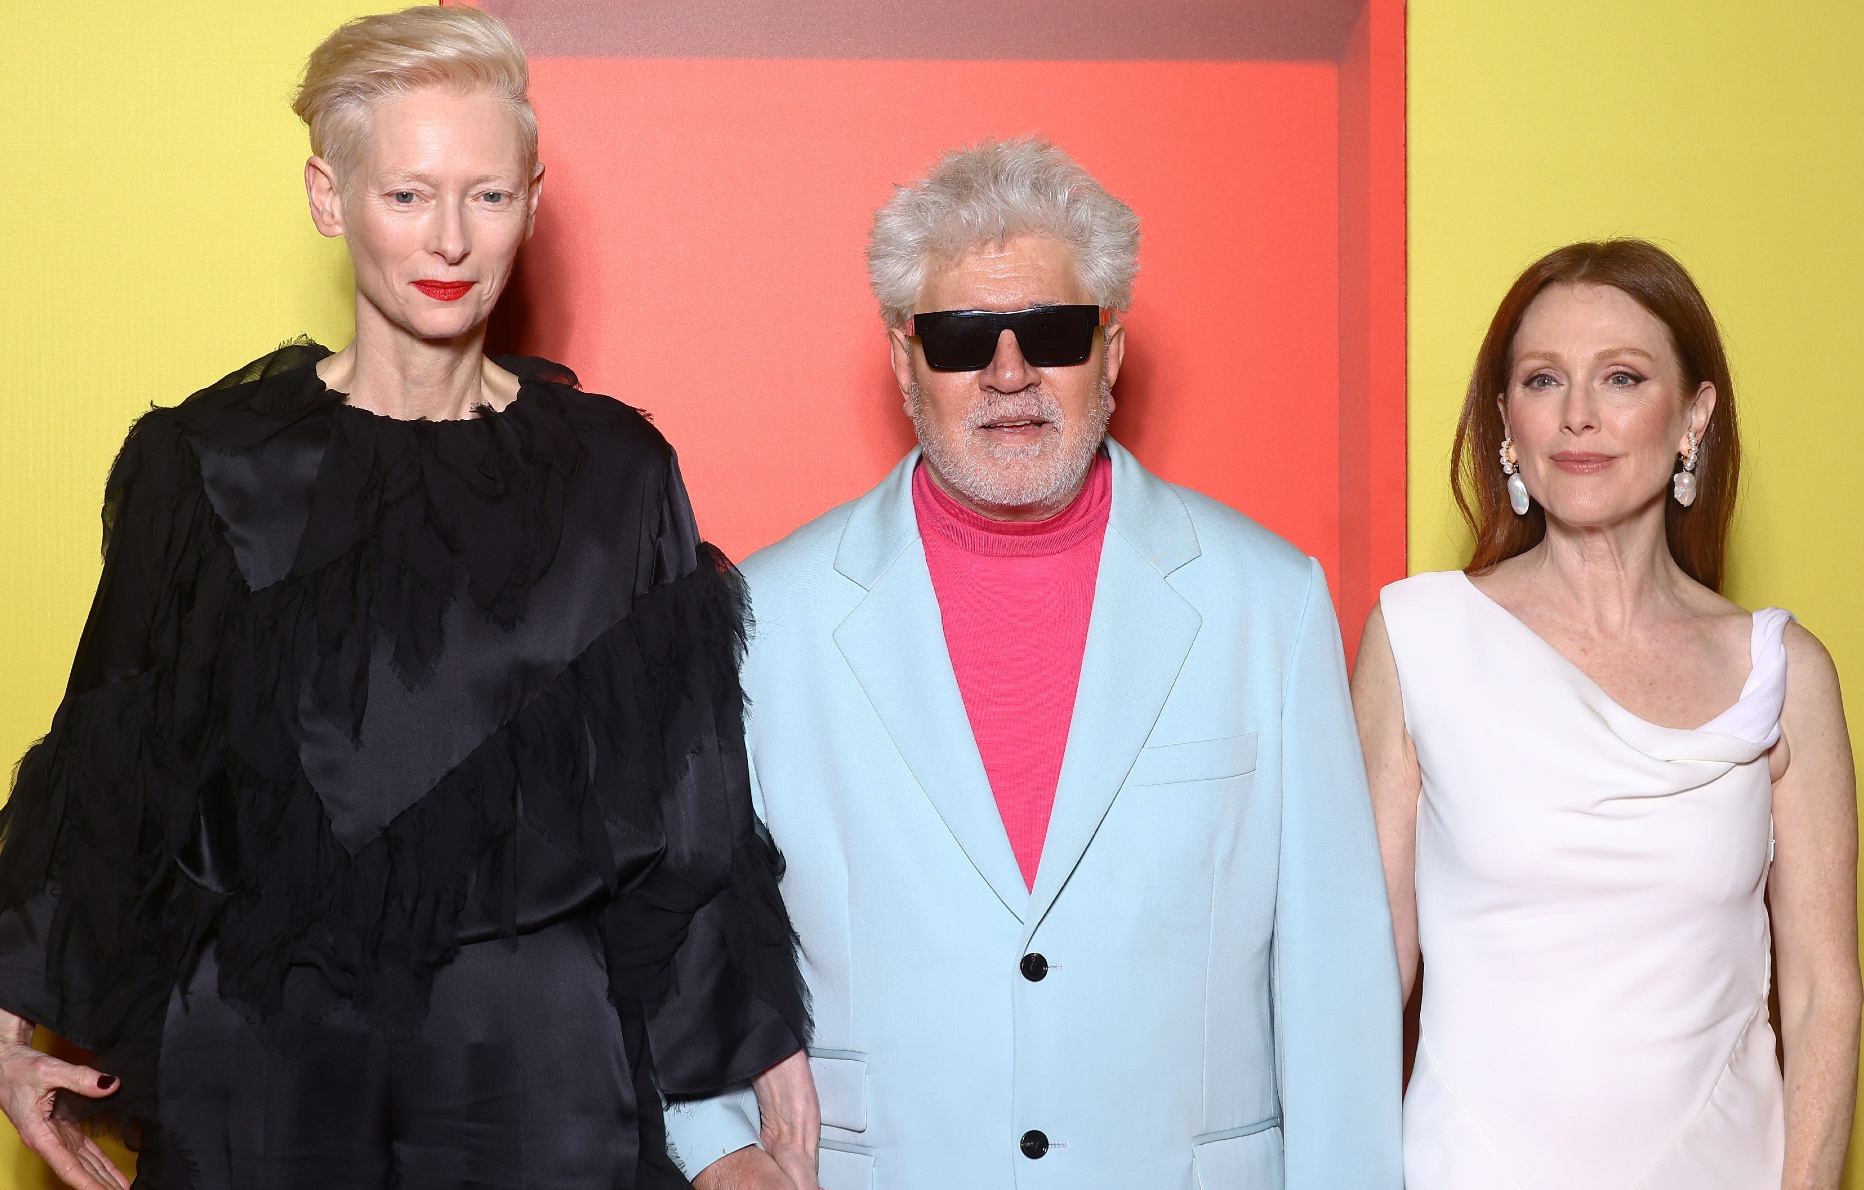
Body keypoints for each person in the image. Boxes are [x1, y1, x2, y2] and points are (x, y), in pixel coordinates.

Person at [0, 8, 810, 1189]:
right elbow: (118, 758)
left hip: (534, 1063)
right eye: (407, 195)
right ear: (330, 198)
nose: (450, 239)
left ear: (533, 197)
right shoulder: (210, 462)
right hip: (261, 1061)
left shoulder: (614, 473)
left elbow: (682, 806)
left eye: (487, 196)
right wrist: (19, 1012)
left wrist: (741, 1071)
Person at [665, 137, 1403, 1190]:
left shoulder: (1266, 599)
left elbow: (1336, 977)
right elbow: (683, 920)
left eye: (1049, 331)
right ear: (901, 358)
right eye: (964, 338)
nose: (1008, 373)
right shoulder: (765, 613)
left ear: (1110, 349)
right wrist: (713, 1144)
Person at [1353, 239, 1861, 1189]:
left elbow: (1826, 992)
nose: (1579, 416)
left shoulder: (1785, 672)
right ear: (1507, 422)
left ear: (1693, 418)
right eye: (1544, 381)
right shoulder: (1417, 638)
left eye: (1621, 377)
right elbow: (1366, 971)